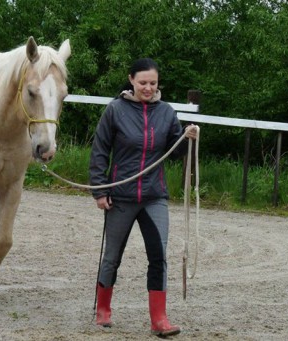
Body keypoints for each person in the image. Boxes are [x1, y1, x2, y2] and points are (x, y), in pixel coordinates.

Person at [89, 57, 198, 337]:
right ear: (131, 80)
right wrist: (100, 190)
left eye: (153, 83)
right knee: (112, 256)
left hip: (154, 196)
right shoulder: (115, 110)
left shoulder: (166, 112)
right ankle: (103, 310)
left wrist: (188, 138)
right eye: (143, 82)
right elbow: (100, 151)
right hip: (121, 196)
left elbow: (175, 150)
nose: (148, 88)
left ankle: (159, 319)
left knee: (158, 256)